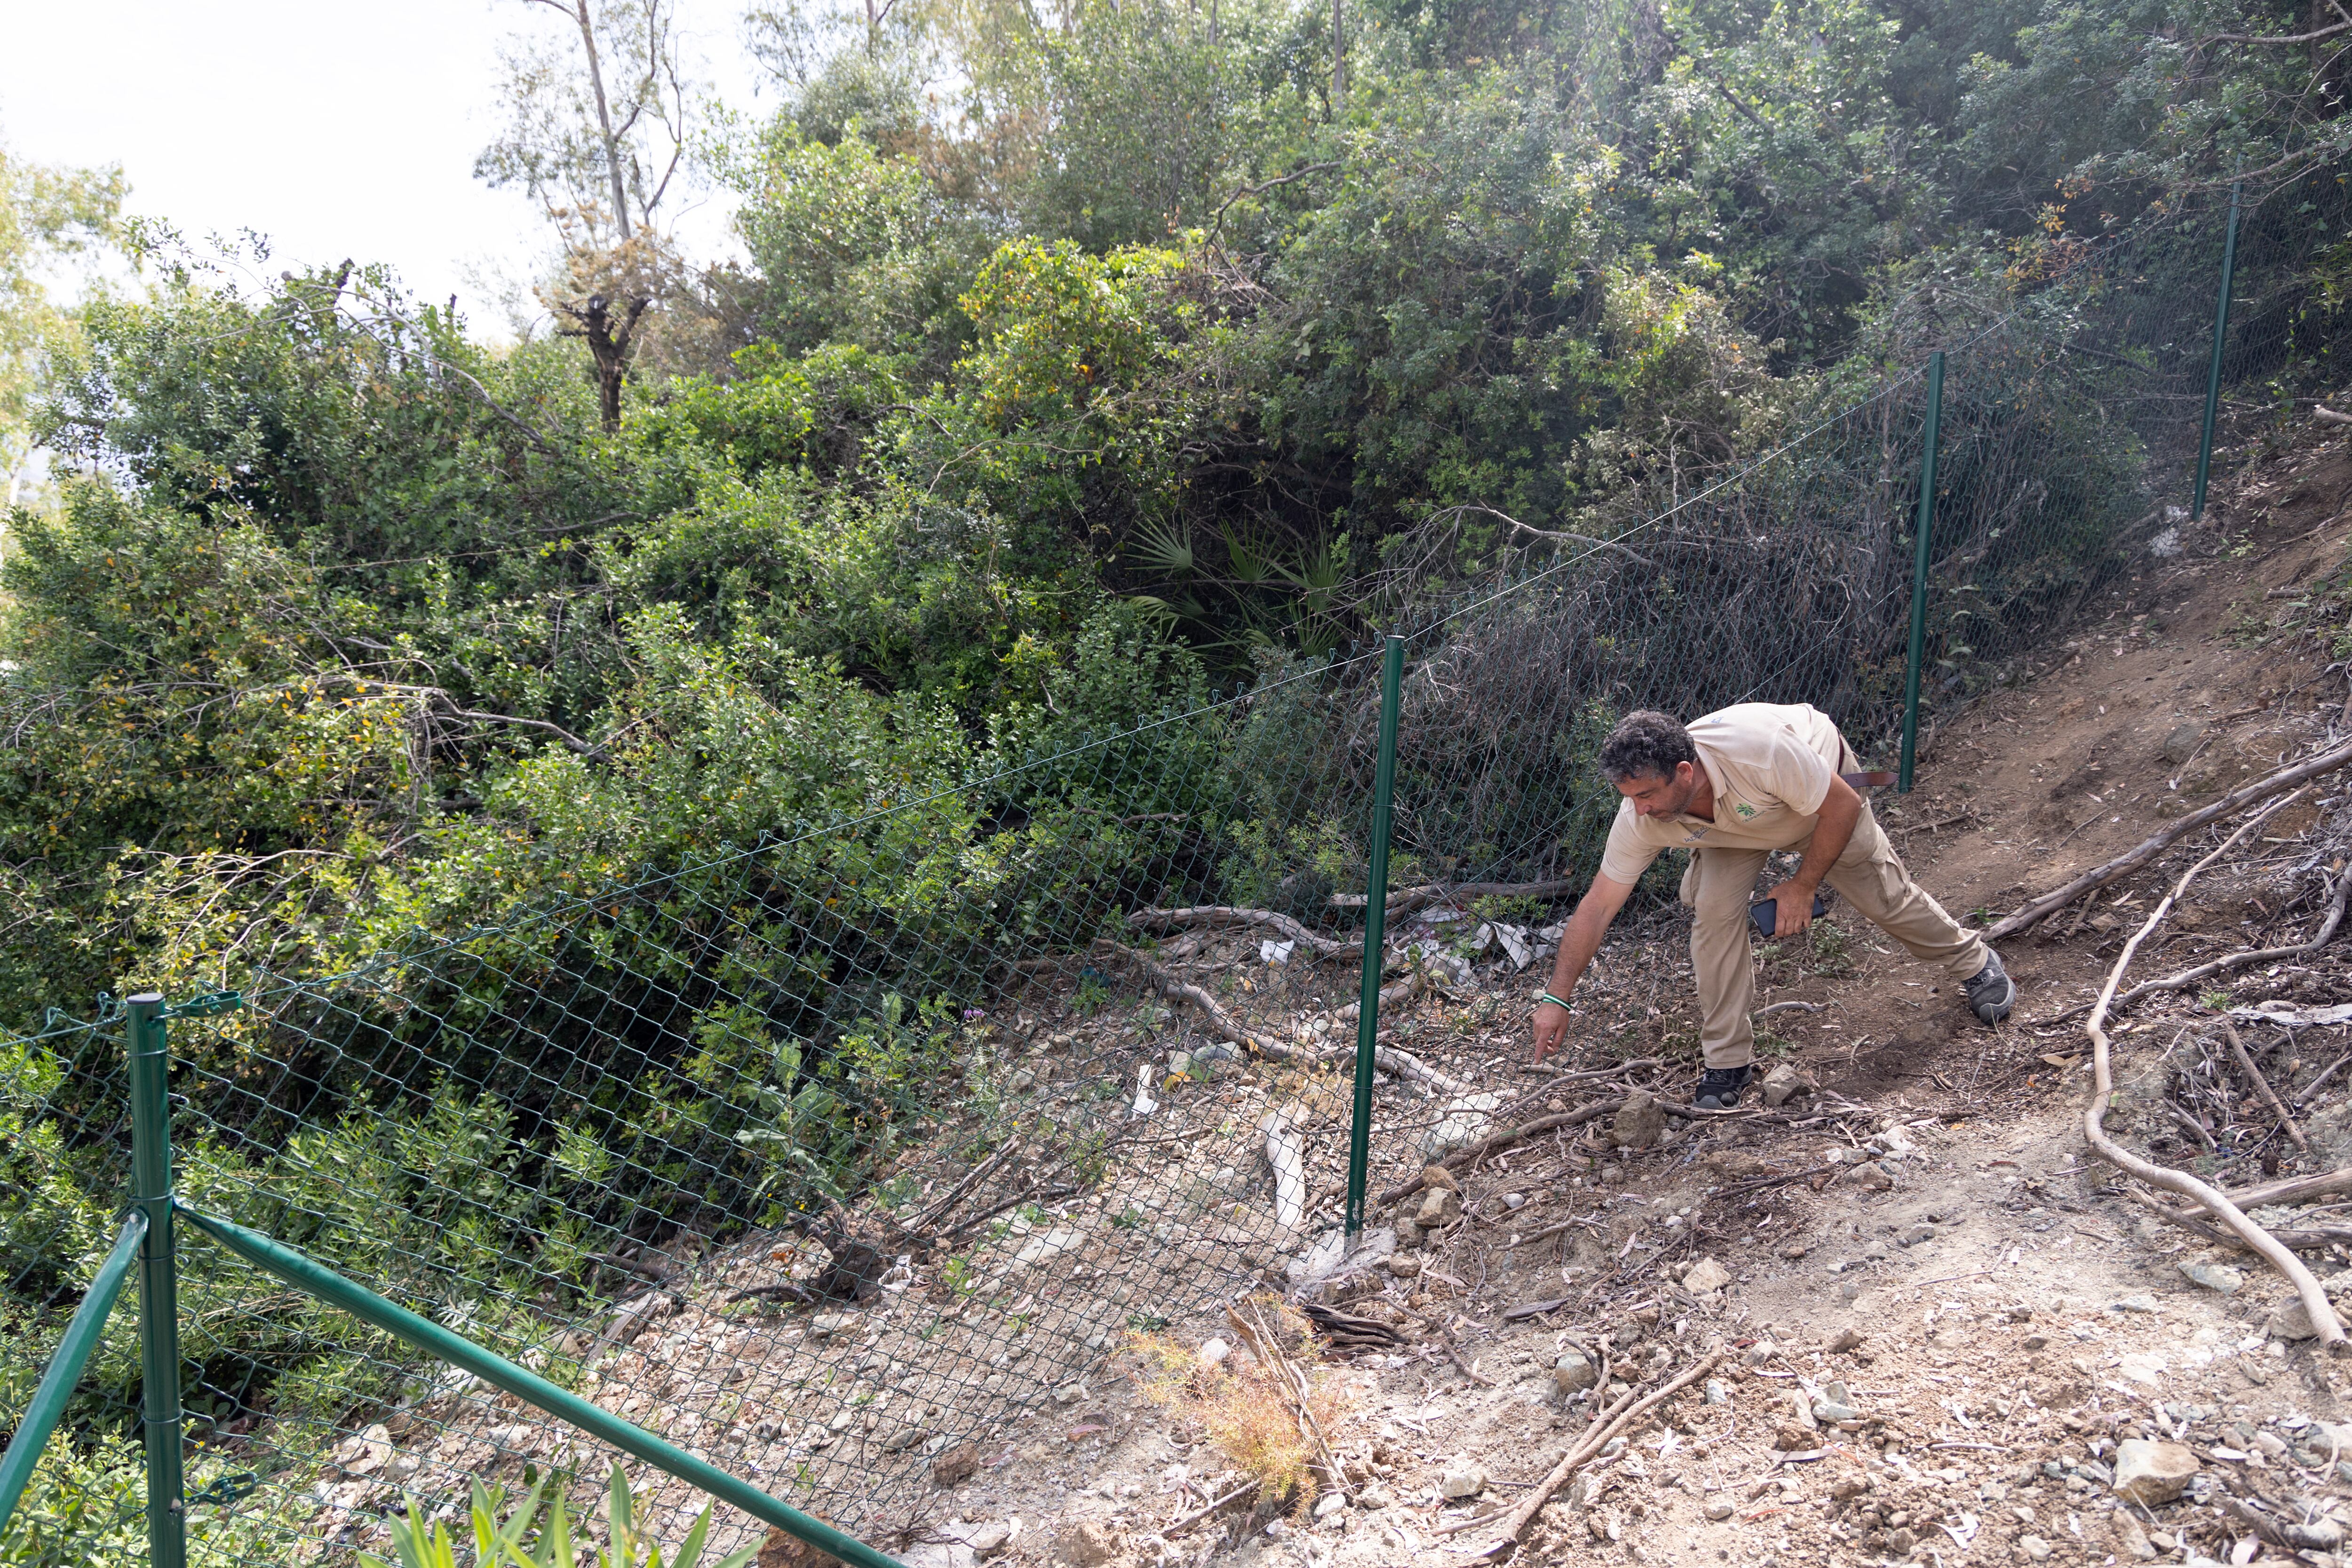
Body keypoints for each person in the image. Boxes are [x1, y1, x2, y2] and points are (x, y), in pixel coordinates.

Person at [1529, 705, 2014, 1108]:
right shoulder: (1643, 814)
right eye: (1629, 798)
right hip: (1733, 825)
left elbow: (1840, 805)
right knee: (1713, 915)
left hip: (1817, 801)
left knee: (1881, 898)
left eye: (1647, 795)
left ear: (1684, 771)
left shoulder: (1759, 752)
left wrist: (1802, 885)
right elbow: (1597, 906)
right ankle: (1726, 1064)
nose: (1638, 809)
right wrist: (1556, 997)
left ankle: (1973, 961)